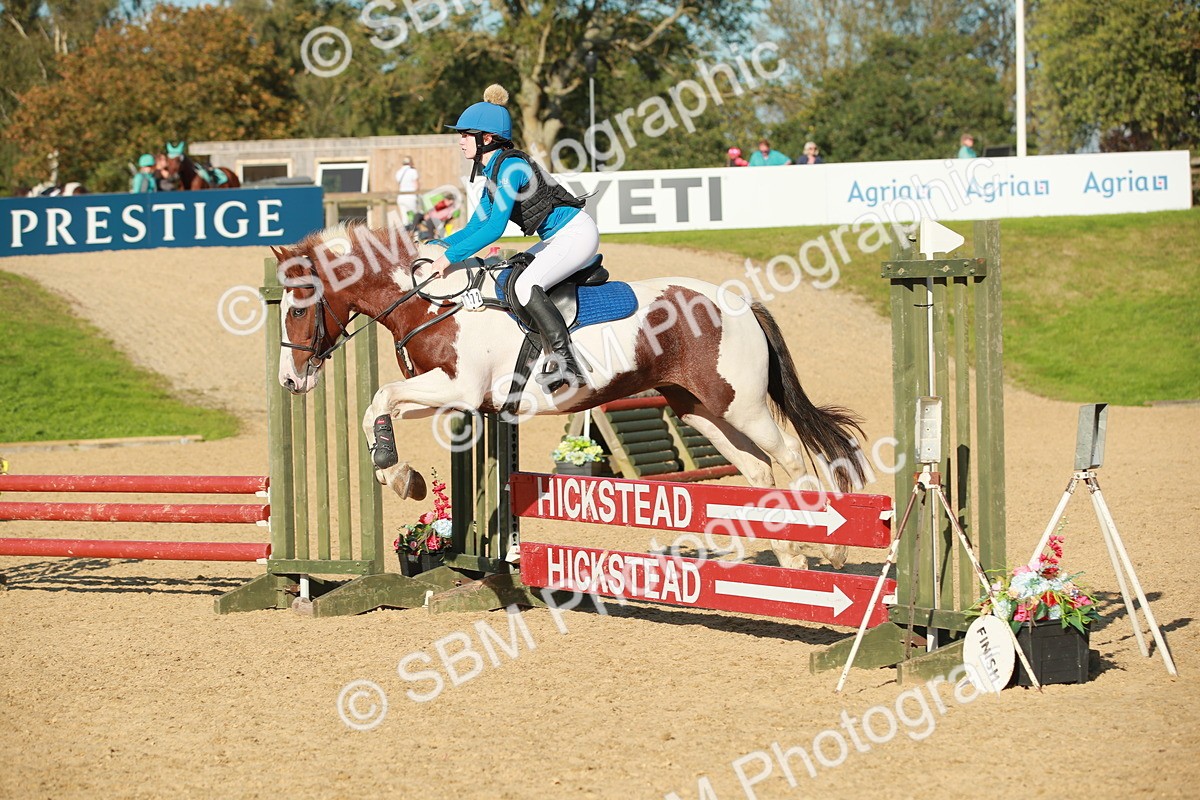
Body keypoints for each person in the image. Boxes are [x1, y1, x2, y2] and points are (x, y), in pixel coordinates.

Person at [425, 84, 599, 393]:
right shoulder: (493, 172)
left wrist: (449, 258)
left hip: (576, 234)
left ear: (486, 139)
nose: (460, 141)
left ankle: (567, 363)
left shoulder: (511, 167)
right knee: (509, 277)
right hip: (558, 238)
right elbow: (475, 226)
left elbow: (494, 229)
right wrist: (436, 247)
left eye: (465, 135)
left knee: (524, 285)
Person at [395, 156, 420, 225]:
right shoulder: (413, 171)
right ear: (410, 163)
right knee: (413, 218)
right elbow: (416, 186)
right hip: (411, 197)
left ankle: (406, 231)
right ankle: (413, 231)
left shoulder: (398, 172)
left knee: (404, 219)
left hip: (401, 197)